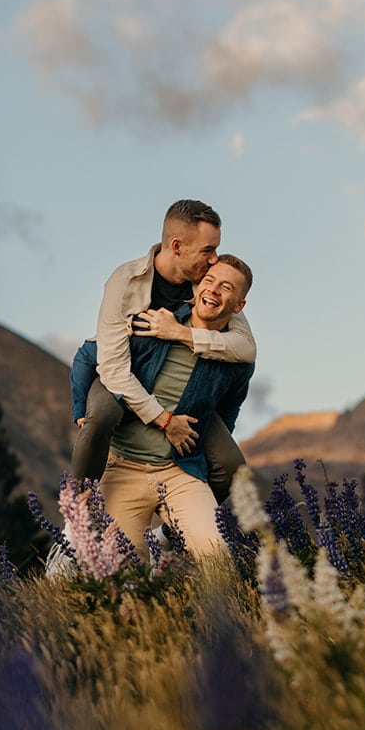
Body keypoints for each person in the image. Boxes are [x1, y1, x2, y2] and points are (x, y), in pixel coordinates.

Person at [68, 255, 255, 561]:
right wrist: (79, 408)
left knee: (218, 557)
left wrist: (203, 462)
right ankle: (71, 533)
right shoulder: (153, 321)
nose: (214, 291)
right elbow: (88, 355)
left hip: (179, 474)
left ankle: (174, 541)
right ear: (196, 287)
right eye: (209, 281)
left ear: (238, 306)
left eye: (226, 287)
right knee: (124, 572)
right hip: (123, 468)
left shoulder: (236, 362)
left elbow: (226, 414)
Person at [72, 199, 254, 504]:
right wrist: (165, 420)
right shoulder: (124, 282)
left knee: (232, 466)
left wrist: (180, 333)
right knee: (102, 415)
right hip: (125, 374)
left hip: (185, 390)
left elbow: (245, 348)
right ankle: (74, 522)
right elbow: (113, 370)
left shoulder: (208, 285)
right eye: (208, 250)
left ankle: (169, 536)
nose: (214, 260)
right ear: (177, 246)